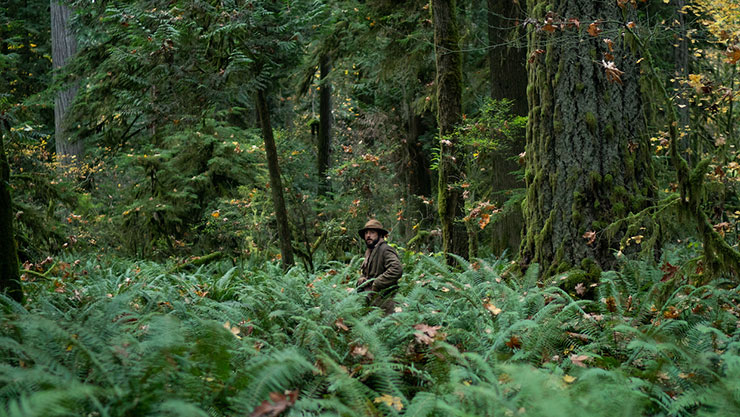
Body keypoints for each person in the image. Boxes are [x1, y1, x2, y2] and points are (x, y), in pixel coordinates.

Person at [356, 219, 403, 314]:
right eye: (366, 233)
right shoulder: (369, 252)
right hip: (370, 299)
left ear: (380, 235)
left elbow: (396, 268)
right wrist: (362, 279)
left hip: (384, 301)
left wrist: (377, 282)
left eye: (372, 232)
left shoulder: (385, 250)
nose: (368, 235)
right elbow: (366, 273)